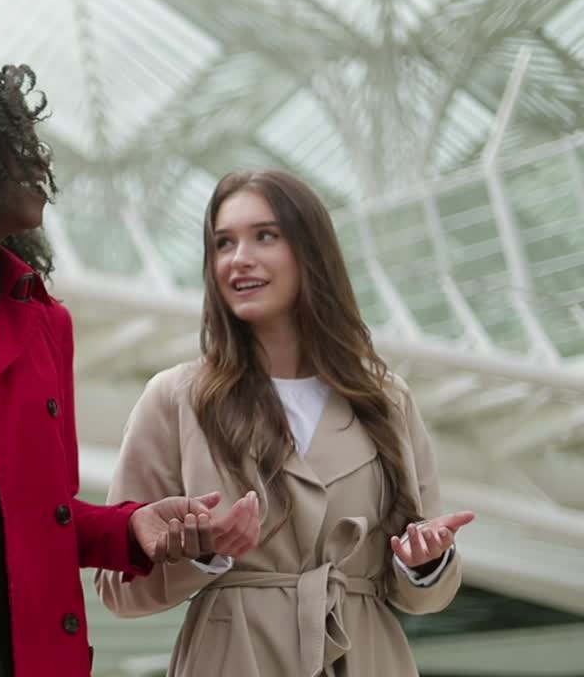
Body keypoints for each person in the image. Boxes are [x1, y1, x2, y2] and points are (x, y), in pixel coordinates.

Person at [0, 64, 257, 677]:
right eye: (12, 139)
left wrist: (132, 528)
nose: (36, 157)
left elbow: (41, 516)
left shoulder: (48, 324)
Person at [96, 170, 477, 676]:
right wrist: (205, 554)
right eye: (223, 242)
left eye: (265, 236)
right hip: (235, 658)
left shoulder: (385, 400)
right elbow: (116, 587)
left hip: (367, 657)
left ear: (311, 252)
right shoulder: (175, 398)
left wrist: (424, 562)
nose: (239, 258)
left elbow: (423, 596)